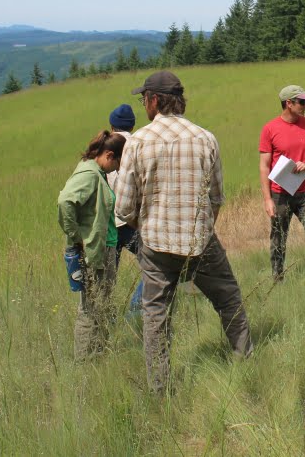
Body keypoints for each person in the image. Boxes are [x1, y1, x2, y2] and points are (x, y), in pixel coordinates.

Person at [114, 70, 253, 394]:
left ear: (154, 100)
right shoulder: (206, 138)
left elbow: (123, 208)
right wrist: (200, 227)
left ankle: (161, 391)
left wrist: (145, 227)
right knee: (229, 299)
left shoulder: (138, 142)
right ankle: (245, 360)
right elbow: (217, 198)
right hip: (201, 241)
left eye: (144, 98)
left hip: (156, 246)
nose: (144, 104)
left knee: (156, 317)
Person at [57, 130, 127, 361]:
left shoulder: (96, 172)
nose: (117, 169)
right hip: (92, 252)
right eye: (117, 163)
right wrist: (76, 236)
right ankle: (85, 363)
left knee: (102, 306)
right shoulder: (89, 174)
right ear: (109, 155)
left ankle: (99, 357)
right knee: (90, 308)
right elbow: (66, 201)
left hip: (101, 249)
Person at [259, 85, 305, 282]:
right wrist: (267, 200)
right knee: (278, 238)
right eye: (302, 102)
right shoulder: (270, 129)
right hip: (280, 193)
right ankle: (277, 279)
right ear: (288, 104)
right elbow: (264, 166)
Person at [106, 103, 144, 314]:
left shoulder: (106, 146)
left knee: (106, 281)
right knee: (153, 266)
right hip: (132, 222)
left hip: (109, 225)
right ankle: (135, 311)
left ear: (112, 126)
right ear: (132, 125)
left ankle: (106, 321)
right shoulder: (140, 144)